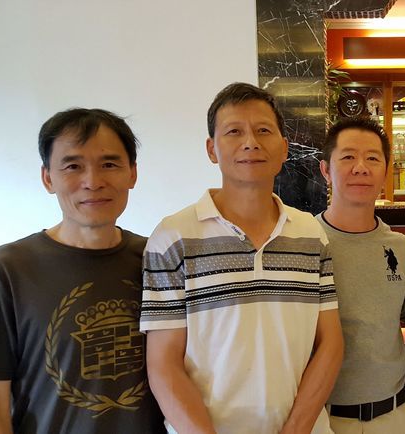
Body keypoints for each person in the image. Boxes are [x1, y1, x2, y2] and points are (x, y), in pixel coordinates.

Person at [140, 82, 343, 434]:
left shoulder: (310, 234)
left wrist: (295, 429)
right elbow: (163, 364)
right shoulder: (173, 238)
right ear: (212, 149)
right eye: (234, 131)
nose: (250, 142)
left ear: (284, 148)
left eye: (263, 130)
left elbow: (330, 344)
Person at [0, 108, 165, 433]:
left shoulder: (160, 259)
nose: (93, 182)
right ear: (48, 177)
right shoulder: (7, 269)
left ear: (132, 173)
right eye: (73, 166)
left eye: (109, 164)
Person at [317, 118, 405, 433]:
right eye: (348, 157)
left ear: (385, 171)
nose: (360, 168)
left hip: (395, 415)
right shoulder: (305, 242)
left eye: (372, 158)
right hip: (325, 418)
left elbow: (403, 316)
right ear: (325, 170)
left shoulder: (400, 248)